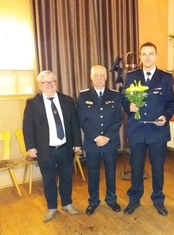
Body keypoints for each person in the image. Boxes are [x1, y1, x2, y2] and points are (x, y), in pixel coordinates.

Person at [121, 42, 174, 216]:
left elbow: (171, 103)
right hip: (137, 130)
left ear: (156, 56)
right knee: (136, 167)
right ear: (140, 57)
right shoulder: (131, 76)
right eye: (144, 54)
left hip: (157, 131)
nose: (147, 57)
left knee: (158, 168)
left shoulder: (166, 78)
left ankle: (158, 199)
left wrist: (165, 117)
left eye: (150, 54)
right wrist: (128, 106)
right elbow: (123, 99)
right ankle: (134, 199)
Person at [23, 70, 82, 222]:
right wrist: (30, 146)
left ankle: (67, 204)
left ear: (56, 83)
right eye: (45, 82)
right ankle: (52, 207)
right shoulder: (32, 103)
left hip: (65, 148)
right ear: (40, 85)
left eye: (52, 81)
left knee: (66, 178)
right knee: (48, 180)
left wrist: (77, 143)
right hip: (45, 150)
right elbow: (28, 127)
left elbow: (74, 124)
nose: (49, 85)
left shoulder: (67, 100)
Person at [77, 65, 123, 215]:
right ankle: (93, 201)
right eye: (95, 75)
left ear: (106, 77)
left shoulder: (115, 95)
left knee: (111, 172)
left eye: (102, 75)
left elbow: (118, 119)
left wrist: (107, 137)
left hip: (110, 142)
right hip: (92, 142)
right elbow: (82, 120)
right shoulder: (83, 96)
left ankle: (111, 200)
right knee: (93, 173)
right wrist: (96, 137)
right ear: (91, 77)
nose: (99, 78)